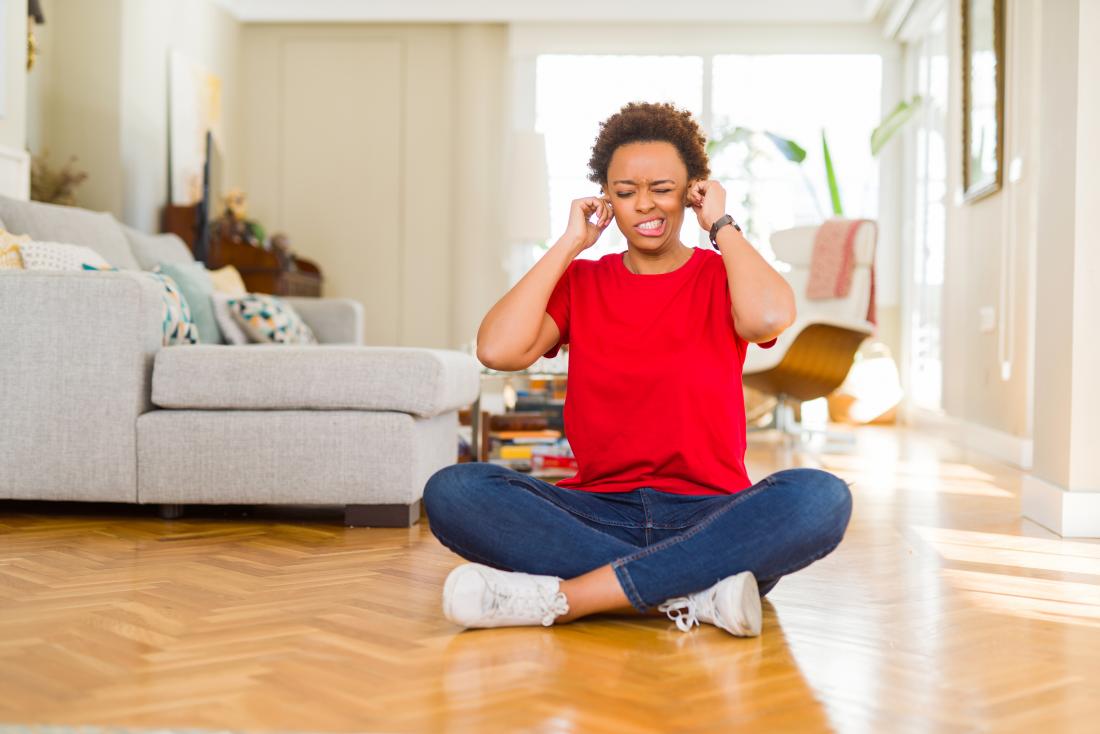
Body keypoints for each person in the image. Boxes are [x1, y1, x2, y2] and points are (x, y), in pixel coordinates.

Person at [424, 102, 852, 636]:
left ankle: (573, 596)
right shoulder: (581, 282)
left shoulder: (723, 275)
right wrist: (569, 242)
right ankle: (697, 592)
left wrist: (720, 223)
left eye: (663, 189)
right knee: (454, 491)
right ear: (607, 199)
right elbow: (496, 350)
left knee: (821, 496)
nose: (644, 204)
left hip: (710, 516)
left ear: (693, 190)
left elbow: (769, 315)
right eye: (625, 192)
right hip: (597, 511)